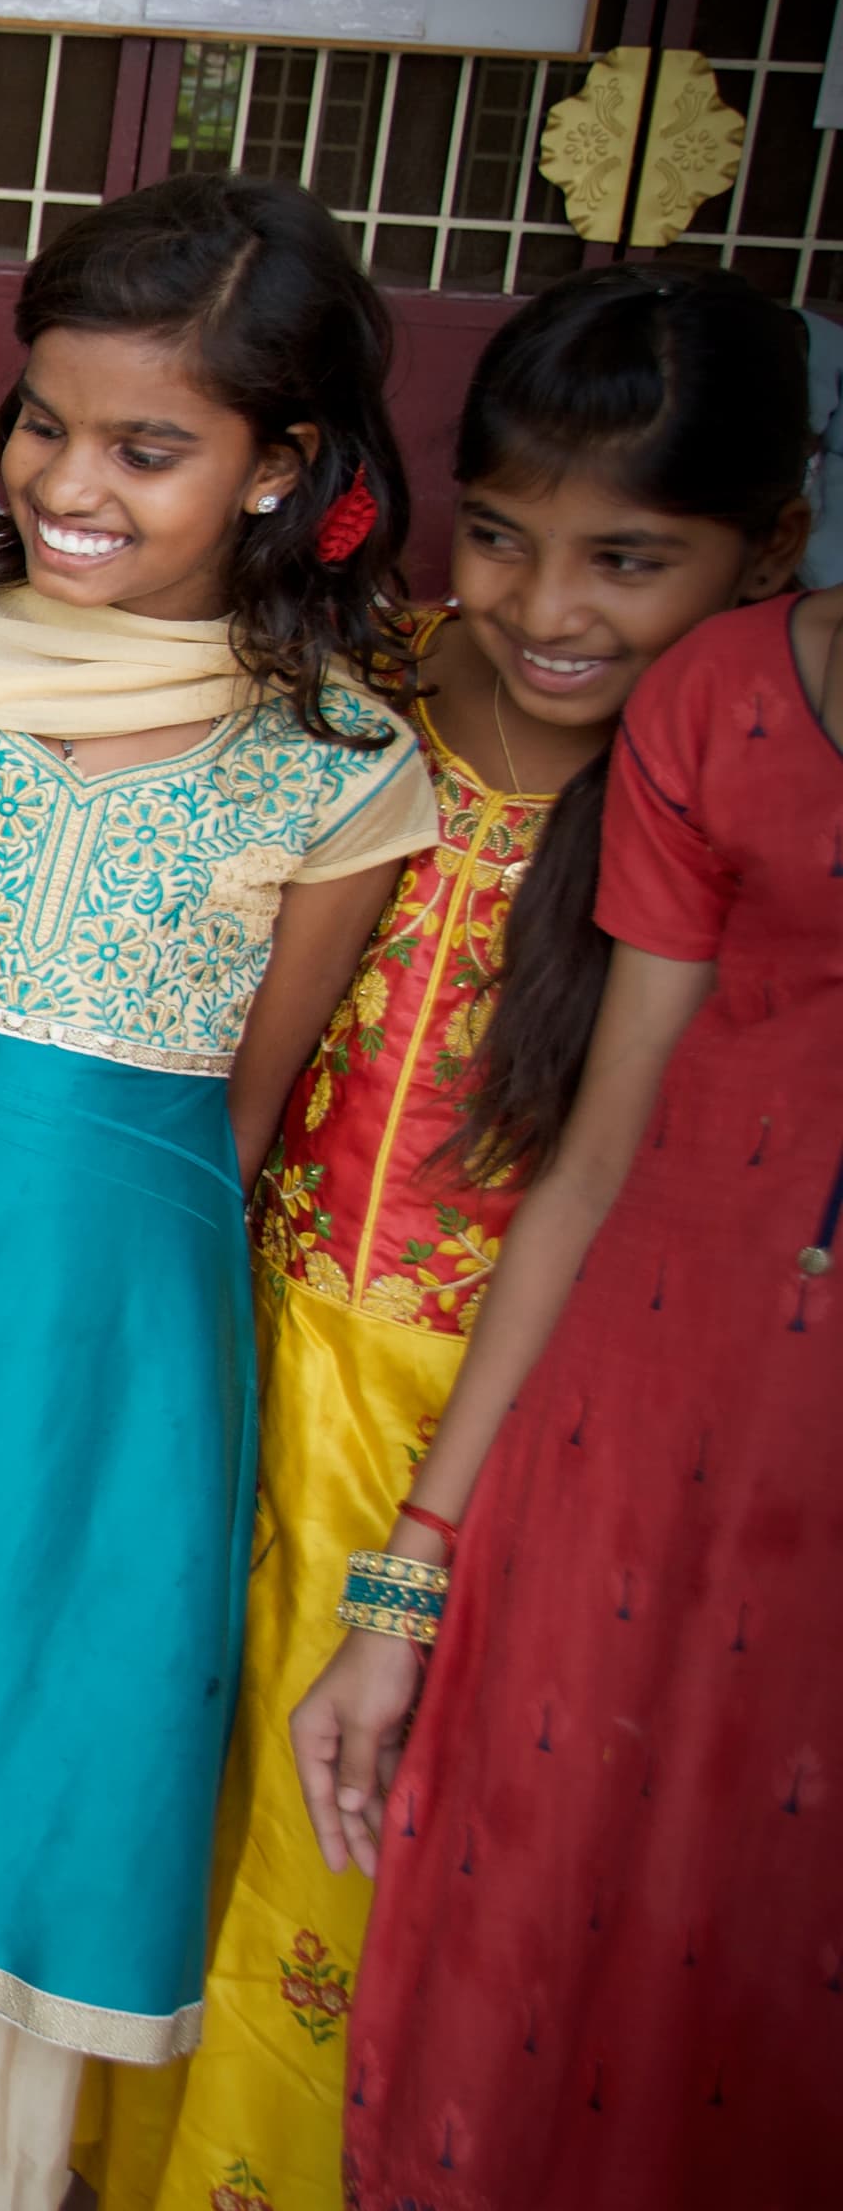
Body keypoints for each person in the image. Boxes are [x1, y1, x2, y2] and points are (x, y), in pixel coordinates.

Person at [85, 268, 817, 2211]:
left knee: (337, 1872)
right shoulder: (361, 704)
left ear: (776, 548)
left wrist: (434, 1533)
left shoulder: (721, 808)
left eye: (629, 558)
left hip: (469, 1430)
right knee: (156, 1810)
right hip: (221, 1345)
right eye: (499, 533)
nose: (548, 607)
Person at [0, 175, 441, 2211]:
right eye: (41, 418)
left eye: (150, 448)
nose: (68, 477)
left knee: (14, 1802)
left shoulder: (341, 764)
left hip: (107, 1380)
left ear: (281, 466)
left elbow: (227, 1125)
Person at [288, 618, 843, 2187]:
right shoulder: (727, 701)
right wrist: (410, 1578)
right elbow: (591, 1167)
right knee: (553, 1945)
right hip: (632, 1429)